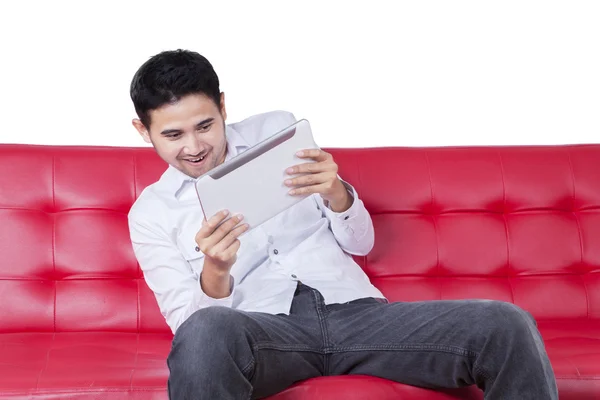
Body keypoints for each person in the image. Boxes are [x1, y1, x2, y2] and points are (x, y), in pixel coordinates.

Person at [127, 49, 558, 400]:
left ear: (223, 106)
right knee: (205, 332)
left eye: (205, 125)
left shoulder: (276, 131)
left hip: (357, 313)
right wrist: (216, 272)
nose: (196, 147)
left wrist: (336, 192)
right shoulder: (151, 213)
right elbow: (190, 329)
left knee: (505, 324)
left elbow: (361, 242)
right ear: (144, 131)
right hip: (266, 333)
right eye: (173, 135)